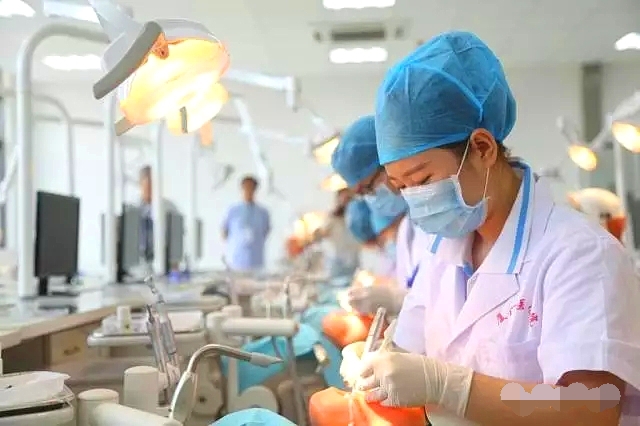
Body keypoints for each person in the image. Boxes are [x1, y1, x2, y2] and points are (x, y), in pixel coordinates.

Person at [345, 31, 640, 426]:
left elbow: (591, 410)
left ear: (482, 148)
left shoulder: (580, 254)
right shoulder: (444, 251)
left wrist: (451, 387)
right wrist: (375, 360)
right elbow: (407, 348)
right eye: (401, 187)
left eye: (422, 179)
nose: (415, 199)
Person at [330, 114, 427, 316]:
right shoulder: (409, 227)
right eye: (362, 194)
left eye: (368, 188)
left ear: (390, 163)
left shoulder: (441, 220)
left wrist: (395, 300)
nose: (370, 198)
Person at [221, 175, 271, 271]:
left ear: (255, 190)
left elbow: (266, 231)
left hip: (256, 260)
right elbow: (224, 232)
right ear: (242, 189)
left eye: (251, 188)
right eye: (246, 188)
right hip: (236, 260)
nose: (248, 191)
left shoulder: (263, 213)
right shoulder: (233, 211)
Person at [312, 188, 362, 279]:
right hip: (338, 264)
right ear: (338, 199)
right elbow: (320, 235)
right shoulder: (332, 219)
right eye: (344, 198)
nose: (346, 201)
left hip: (354, 263)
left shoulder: (357, 217)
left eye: (349, 198)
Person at [138, 165, 178, 262]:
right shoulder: (132, 209)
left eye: (153, 185)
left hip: (163, 259)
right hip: (139, 261)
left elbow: (177, 237)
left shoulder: (169, 208)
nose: (151, 190)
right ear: (140, 184)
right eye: (147, 186)